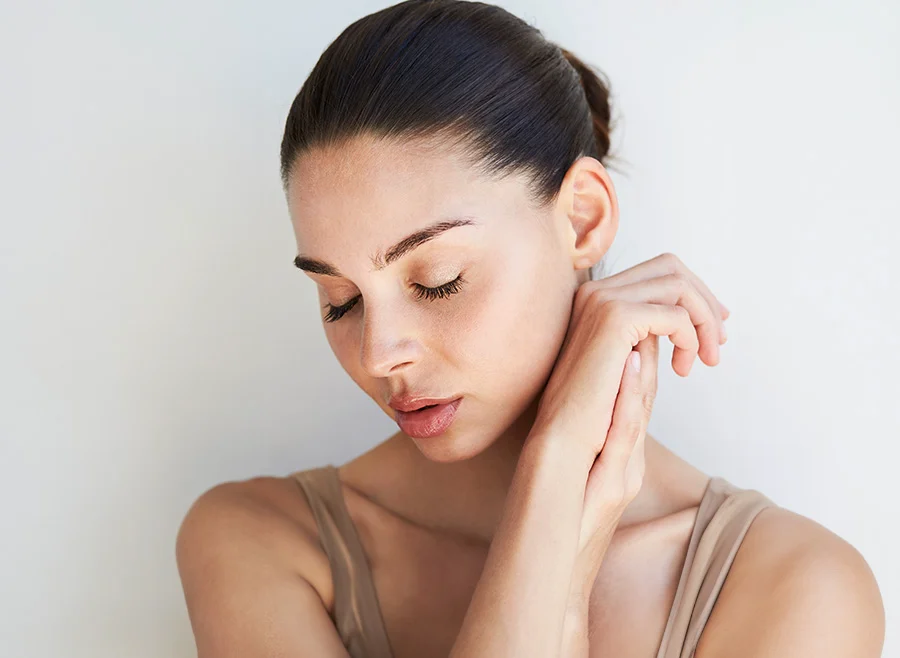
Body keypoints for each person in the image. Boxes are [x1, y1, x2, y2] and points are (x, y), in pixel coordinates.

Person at [175, 1, 885, 656]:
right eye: (340, 300)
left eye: (438, 279)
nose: (378, 353)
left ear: (582, 217)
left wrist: (558, 466)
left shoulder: (796, 585)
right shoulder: (259, 542)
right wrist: (554, 512)